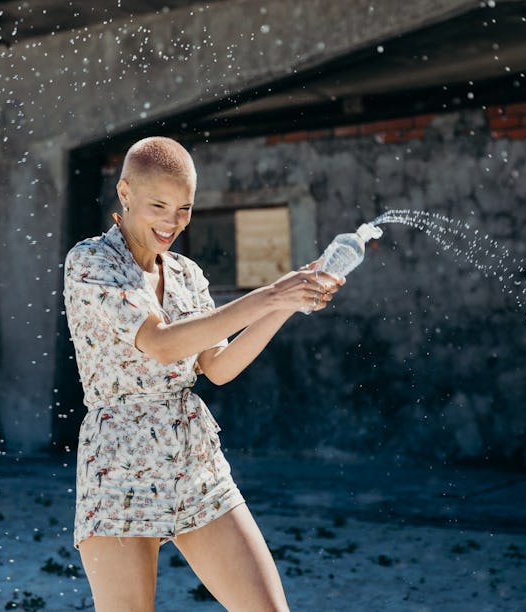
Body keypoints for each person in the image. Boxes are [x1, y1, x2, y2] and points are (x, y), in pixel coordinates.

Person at [63, 136, 343, 611]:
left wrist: (287, 305)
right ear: (125, 192)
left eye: (185, 208)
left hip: (195, 459)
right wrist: (271, 294)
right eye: (159, 205)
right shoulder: (90, 262)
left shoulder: (189, 275)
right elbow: (162, 342)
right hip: (119, 462)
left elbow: (218, 366)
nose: (172, 222)